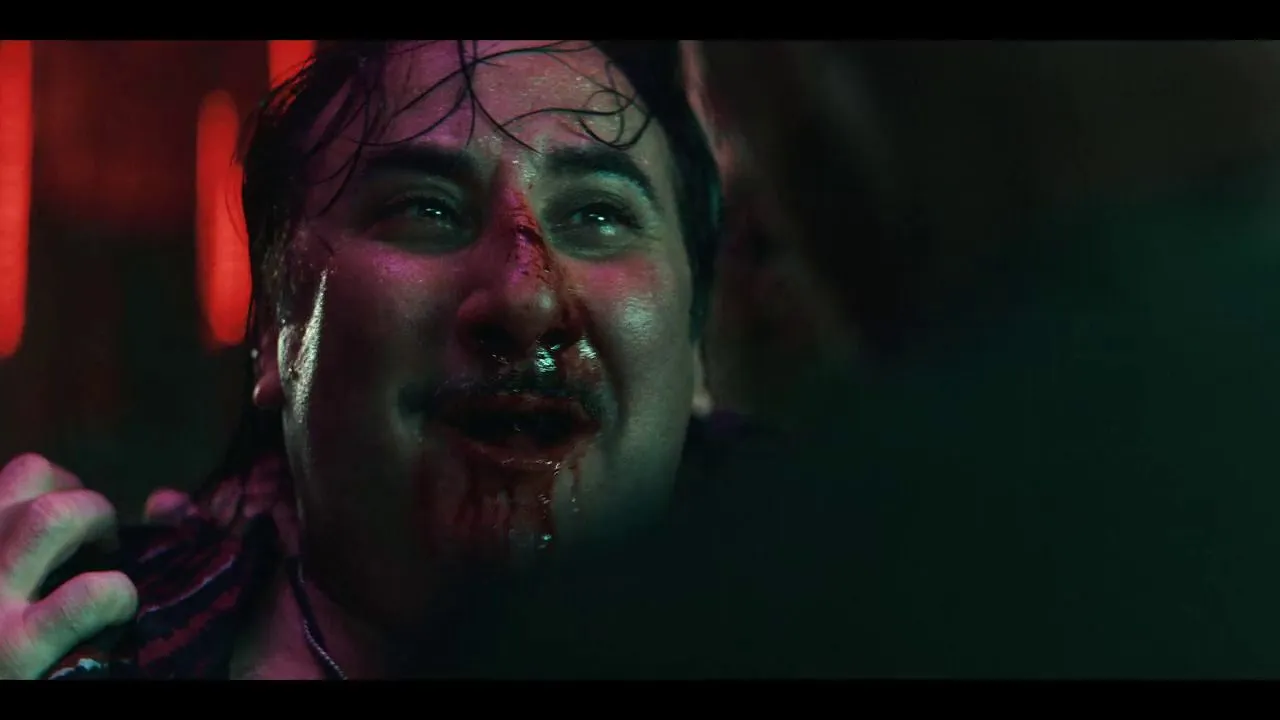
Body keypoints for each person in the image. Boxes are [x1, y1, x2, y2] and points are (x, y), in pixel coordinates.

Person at [0, 39, 737, 680]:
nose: (526, 297)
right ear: (278, 329)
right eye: (426, 209)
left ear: (698, 348)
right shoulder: (79, 638)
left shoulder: (806, 615)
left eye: (599, 214)